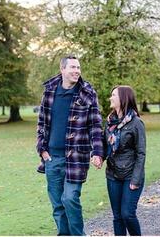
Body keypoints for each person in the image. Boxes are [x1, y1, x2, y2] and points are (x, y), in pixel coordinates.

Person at [36, 55, 104, 236]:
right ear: (62, 70)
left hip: (76, 157)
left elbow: (96, 126)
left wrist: (97, 151)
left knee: (70, 198)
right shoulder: (50, 92)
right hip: (52, 157)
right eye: (73, 67)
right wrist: (42, 149)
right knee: (58, 204)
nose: (76, 71)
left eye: (78, 68)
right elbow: (42, 123)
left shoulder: (87, 93)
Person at [103, 85, 146, 236]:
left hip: (130, 175)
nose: (111, 98)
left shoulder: (136, 123)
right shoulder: (110, 122)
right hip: (112, 175)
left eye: (114, 95)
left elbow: (141, 153)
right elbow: (105, 146)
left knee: (127, 214)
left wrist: (135, 179)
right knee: (117, 217)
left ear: (123, 98)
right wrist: (99, 157)